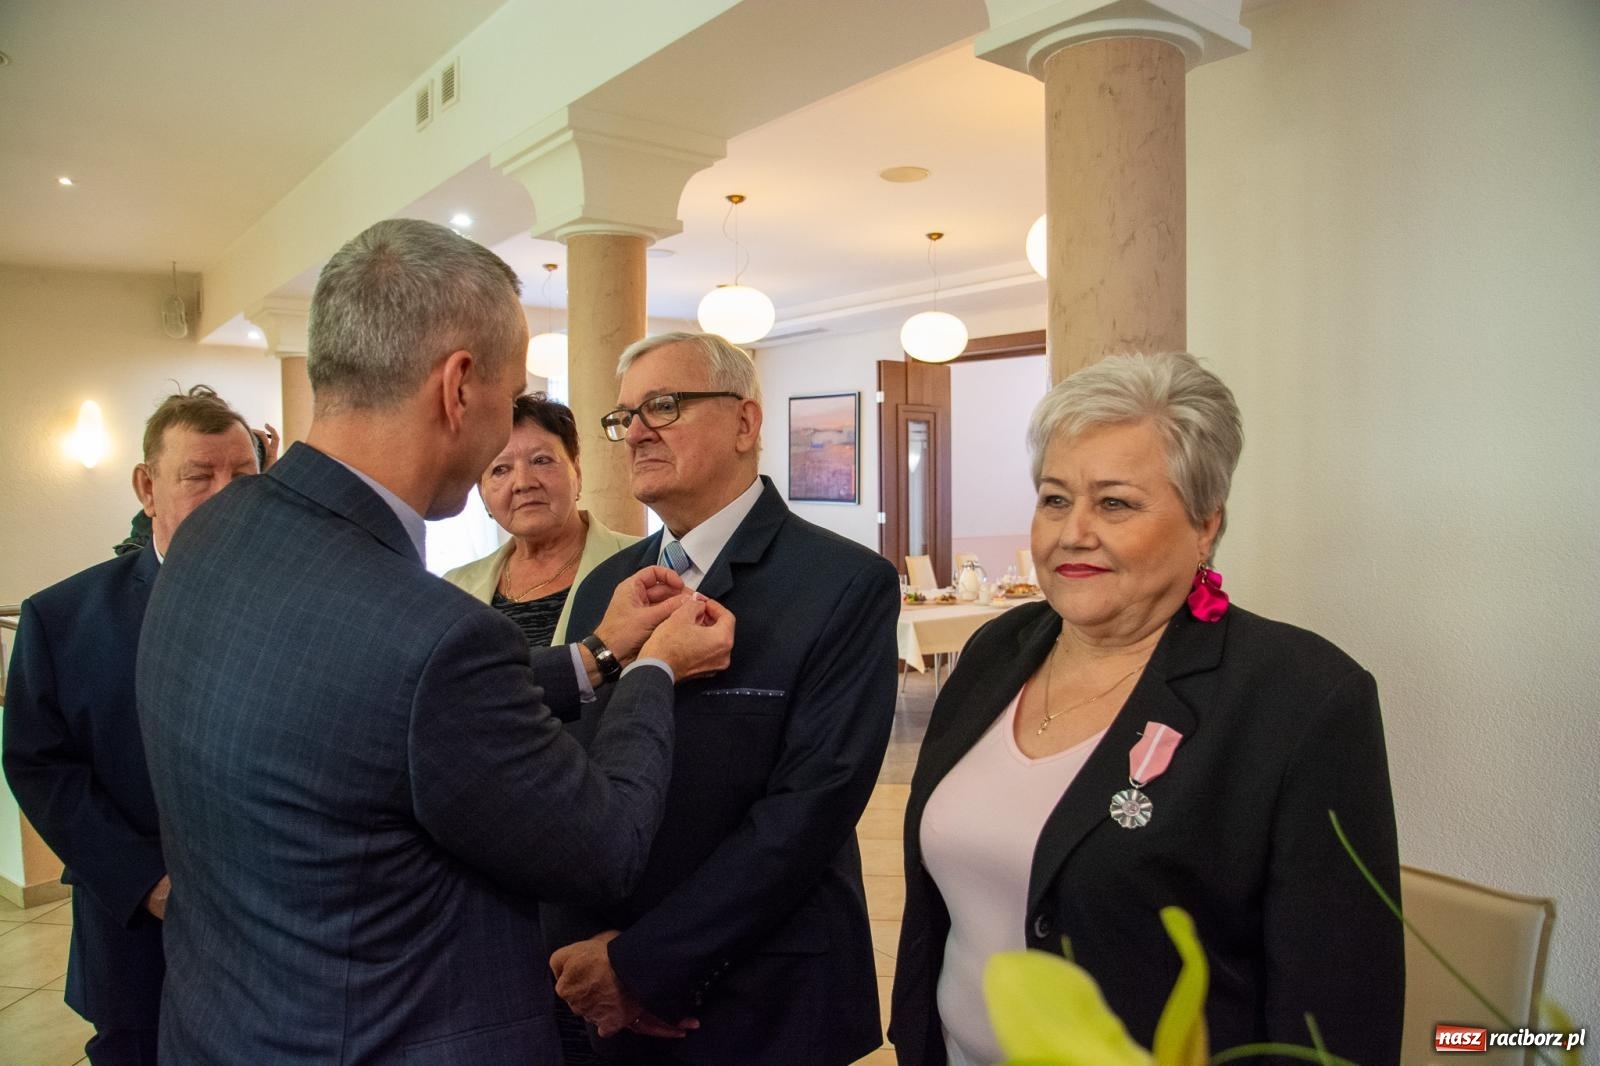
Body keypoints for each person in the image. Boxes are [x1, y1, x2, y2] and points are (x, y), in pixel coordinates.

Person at [135, 220, 734, 1065]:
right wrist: (656, 670)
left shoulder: (211, 532)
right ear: (459, 386)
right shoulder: (434, 633)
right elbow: (601, 846)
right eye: (509, 391)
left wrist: (594, 654)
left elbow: (359, 713)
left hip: (224, 1029)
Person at [889, 351, 1403, 1065]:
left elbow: (1338, 1009)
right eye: (1055, 498)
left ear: (1205, 525)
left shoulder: (1301, 699)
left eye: (1115, 503)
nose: (1073, 532)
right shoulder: (995, 652)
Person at [544, 331, 900, 1066]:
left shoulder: (842, 583)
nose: (635, 430)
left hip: (760, 1001)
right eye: (623, 416)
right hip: (606, 1000)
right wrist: (582, 960)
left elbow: (806, 814)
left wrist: (646, 962)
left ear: (745, 423)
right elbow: (571, 783)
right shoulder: (610, 588)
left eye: (664, 406)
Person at [3, 384, 262, 1064]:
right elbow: (40, 766)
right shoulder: (63, 620)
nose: (226, 494)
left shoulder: (305, 605)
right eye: (199, 477)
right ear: (148, 487)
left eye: (243, 475)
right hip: (136, 940)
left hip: (279, 940)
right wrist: (146, 881)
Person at [445, 393, 636, 653]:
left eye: (541, 461)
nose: (523, 483)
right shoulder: (454, 588)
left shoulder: (641, 562)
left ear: (577, 473)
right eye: (500, 469)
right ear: (482, 492)